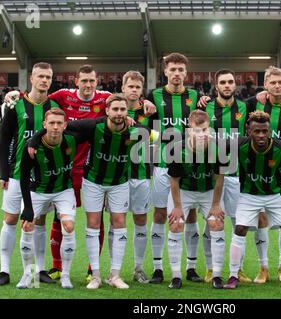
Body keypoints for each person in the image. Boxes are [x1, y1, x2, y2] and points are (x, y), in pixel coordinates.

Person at [4, 65, 156, 282]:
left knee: (96, 219)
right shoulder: (63, 96)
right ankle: (56, 266)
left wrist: (143, 103)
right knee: (58, 218)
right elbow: (39, 96)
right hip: (63, 166)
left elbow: (125, 102)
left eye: (92, 81)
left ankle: (90, 270)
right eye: (84, 81)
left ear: (97, 82)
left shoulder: (104, 98)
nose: (88, 85)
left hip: (89, 169)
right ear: (76, 81)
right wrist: (19, 97)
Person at [47, 94, 157, 290]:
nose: (119, 113)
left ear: (127, 112)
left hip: (119, 183)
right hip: (93, 182)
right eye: (115, 109)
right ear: (107, 110)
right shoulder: (93, 126)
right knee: (93, 223)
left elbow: (163, 137)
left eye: (122, 110)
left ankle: (114, 275)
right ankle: (96, 276)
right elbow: (62, 127)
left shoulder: (136, 130)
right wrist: (36, 139)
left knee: (120, 222)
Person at [223, 111, 281, 289]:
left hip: (275, 195)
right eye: (256, 131)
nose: (261, 135)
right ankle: (232, 276)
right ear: (248, 130)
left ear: (269, 131)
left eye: (264, 131)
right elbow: (218, 151)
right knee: (240, 229)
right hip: (249, 195)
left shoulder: (280, 148)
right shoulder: (239, 145)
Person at [0, 62, 59, 286]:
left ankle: (40, 269)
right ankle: (4, 270)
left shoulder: (55, 106)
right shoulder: (16, 106)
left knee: (38, 221)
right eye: (40, 76)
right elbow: (4, 142)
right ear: (31, 78)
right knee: (11, 219)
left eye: (48, 77)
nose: (44, 80)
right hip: (16, 173)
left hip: (41, 176)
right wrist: (4, 173)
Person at [146, 52, 202, 284]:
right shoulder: (154, 96)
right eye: (173, 69)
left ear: (186, 73)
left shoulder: (196, 96)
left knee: (190, 214)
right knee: (160, 214)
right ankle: (158, 268)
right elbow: (144, 129)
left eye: (181, 70)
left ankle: (191, 267)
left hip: (188, 166)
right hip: (161, 164)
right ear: (165, 72)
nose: (177, 73)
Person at [245, 66, 281, 284]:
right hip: (258, 174)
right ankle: (263, 267)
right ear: (266, 84)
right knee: (261, 221)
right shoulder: (254, 104)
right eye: (273, 82)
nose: (277, 85)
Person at [19, 108, 83, 289]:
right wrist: (28, 208)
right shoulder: (32, 147)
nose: (55, 127)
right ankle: (27, 274)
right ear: (44, 125)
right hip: (37, 191)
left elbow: (93, 124)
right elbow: (24, 177)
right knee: (27, 225)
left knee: (69, 227)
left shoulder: (72, 139)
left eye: (59, 123)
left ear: (65, 125)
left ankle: (66, 275)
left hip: (63, 190)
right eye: (52, 123)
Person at [199, 69, 251, 284]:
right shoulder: (205, 107)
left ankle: (237, 269)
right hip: (213, 175)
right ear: (216, 85)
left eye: (231, 81)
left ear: (235, 85)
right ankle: (211, 268)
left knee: (240, 223)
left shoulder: (245, 107)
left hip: (238, 175)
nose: (227, 85)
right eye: (223, 82)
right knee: (212, 222)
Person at [167, 110, 226, 289]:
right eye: (197, 130)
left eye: (205, 130)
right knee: (176, 224)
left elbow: (219, 178)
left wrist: (216, 204)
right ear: (189, 131)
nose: (202, 134)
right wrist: (177, 207)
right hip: (184, 192)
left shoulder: (218, 148)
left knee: (217, 224)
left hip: (208, 192)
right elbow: (174, 181)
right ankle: (176, 275)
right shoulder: (178, 149)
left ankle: (216, 275)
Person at [121, 70, 153, 283]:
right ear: (123, 88)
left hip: (141, 172)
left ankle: (139, 267)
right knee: (117, 221)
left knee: (141, 219)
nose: (133, 90)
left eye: (137, 87)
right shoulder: (113, 107)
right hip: (117, 176)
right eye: (130, 86)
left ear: (141, 90)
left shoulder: (150, 110)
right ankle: (114, 270)